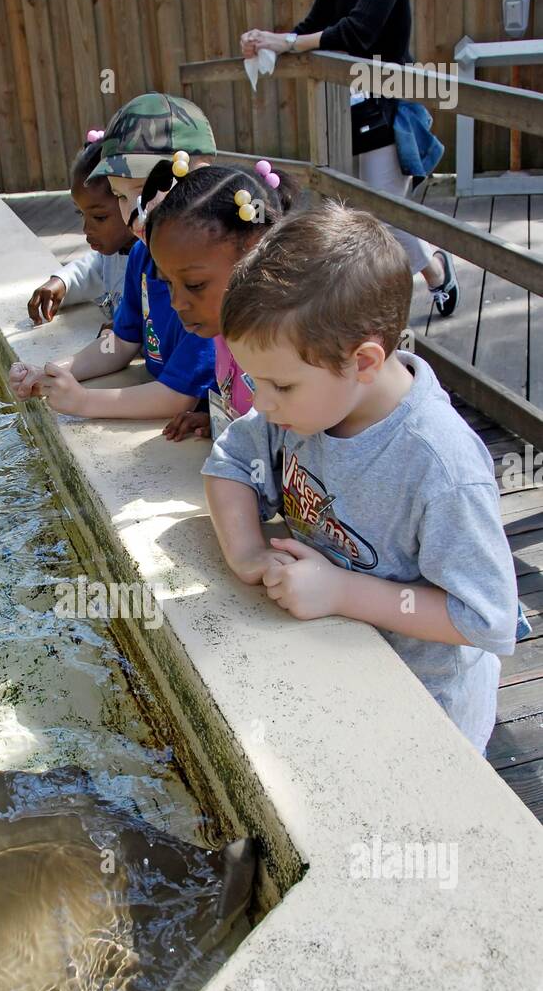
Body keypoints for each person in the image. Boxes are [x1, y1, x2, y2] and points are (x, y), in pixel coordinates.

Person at [202, 202, 518, 753]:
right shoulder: (301, 408)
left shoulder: (440, 466)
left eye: (281, 385)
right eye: (255, 381)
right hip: (337, 671)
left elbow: (486, 619)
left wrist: (341, 591)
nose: (262, 404)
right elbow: (230, 460)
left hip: (425, 716)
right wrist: (247, 552)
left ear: (364, 361)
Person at [240, 0, 460, 317]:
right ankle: (415, 282)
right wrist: (264, 44)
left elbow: (357, 32)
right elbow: (311, 32)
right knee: (353, 217)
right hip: (343, 116)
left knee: (384, 218)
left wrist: (286, 41)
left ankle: (411, 293)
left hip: (387, 111)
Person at [9, 94, 217, 422]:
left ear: (197, 181)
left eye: (143, 191)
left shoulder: (211, 277)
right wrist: (51, 373)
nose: (132, 210)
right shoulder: (142, 256)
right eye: (121, 195)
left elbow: (178, 397)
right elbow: (120, 344)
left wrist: (84, 402)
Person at [143, 157, 296, 441]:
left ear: (256, 255)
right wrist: (220, 420)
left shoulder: (295, 353)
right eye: (168, 283)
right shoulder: (223, 332)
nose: (177, 303)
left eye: (195, 285)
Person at [27, 134, 133, 327]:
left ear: (132, 202)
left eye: (99, 217)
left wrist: (129, 333)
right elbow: (92, 268)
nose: (86, 229)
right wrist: (62, 282)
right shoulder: (113, 255)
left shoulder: (157, 263)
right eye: (81, 214)